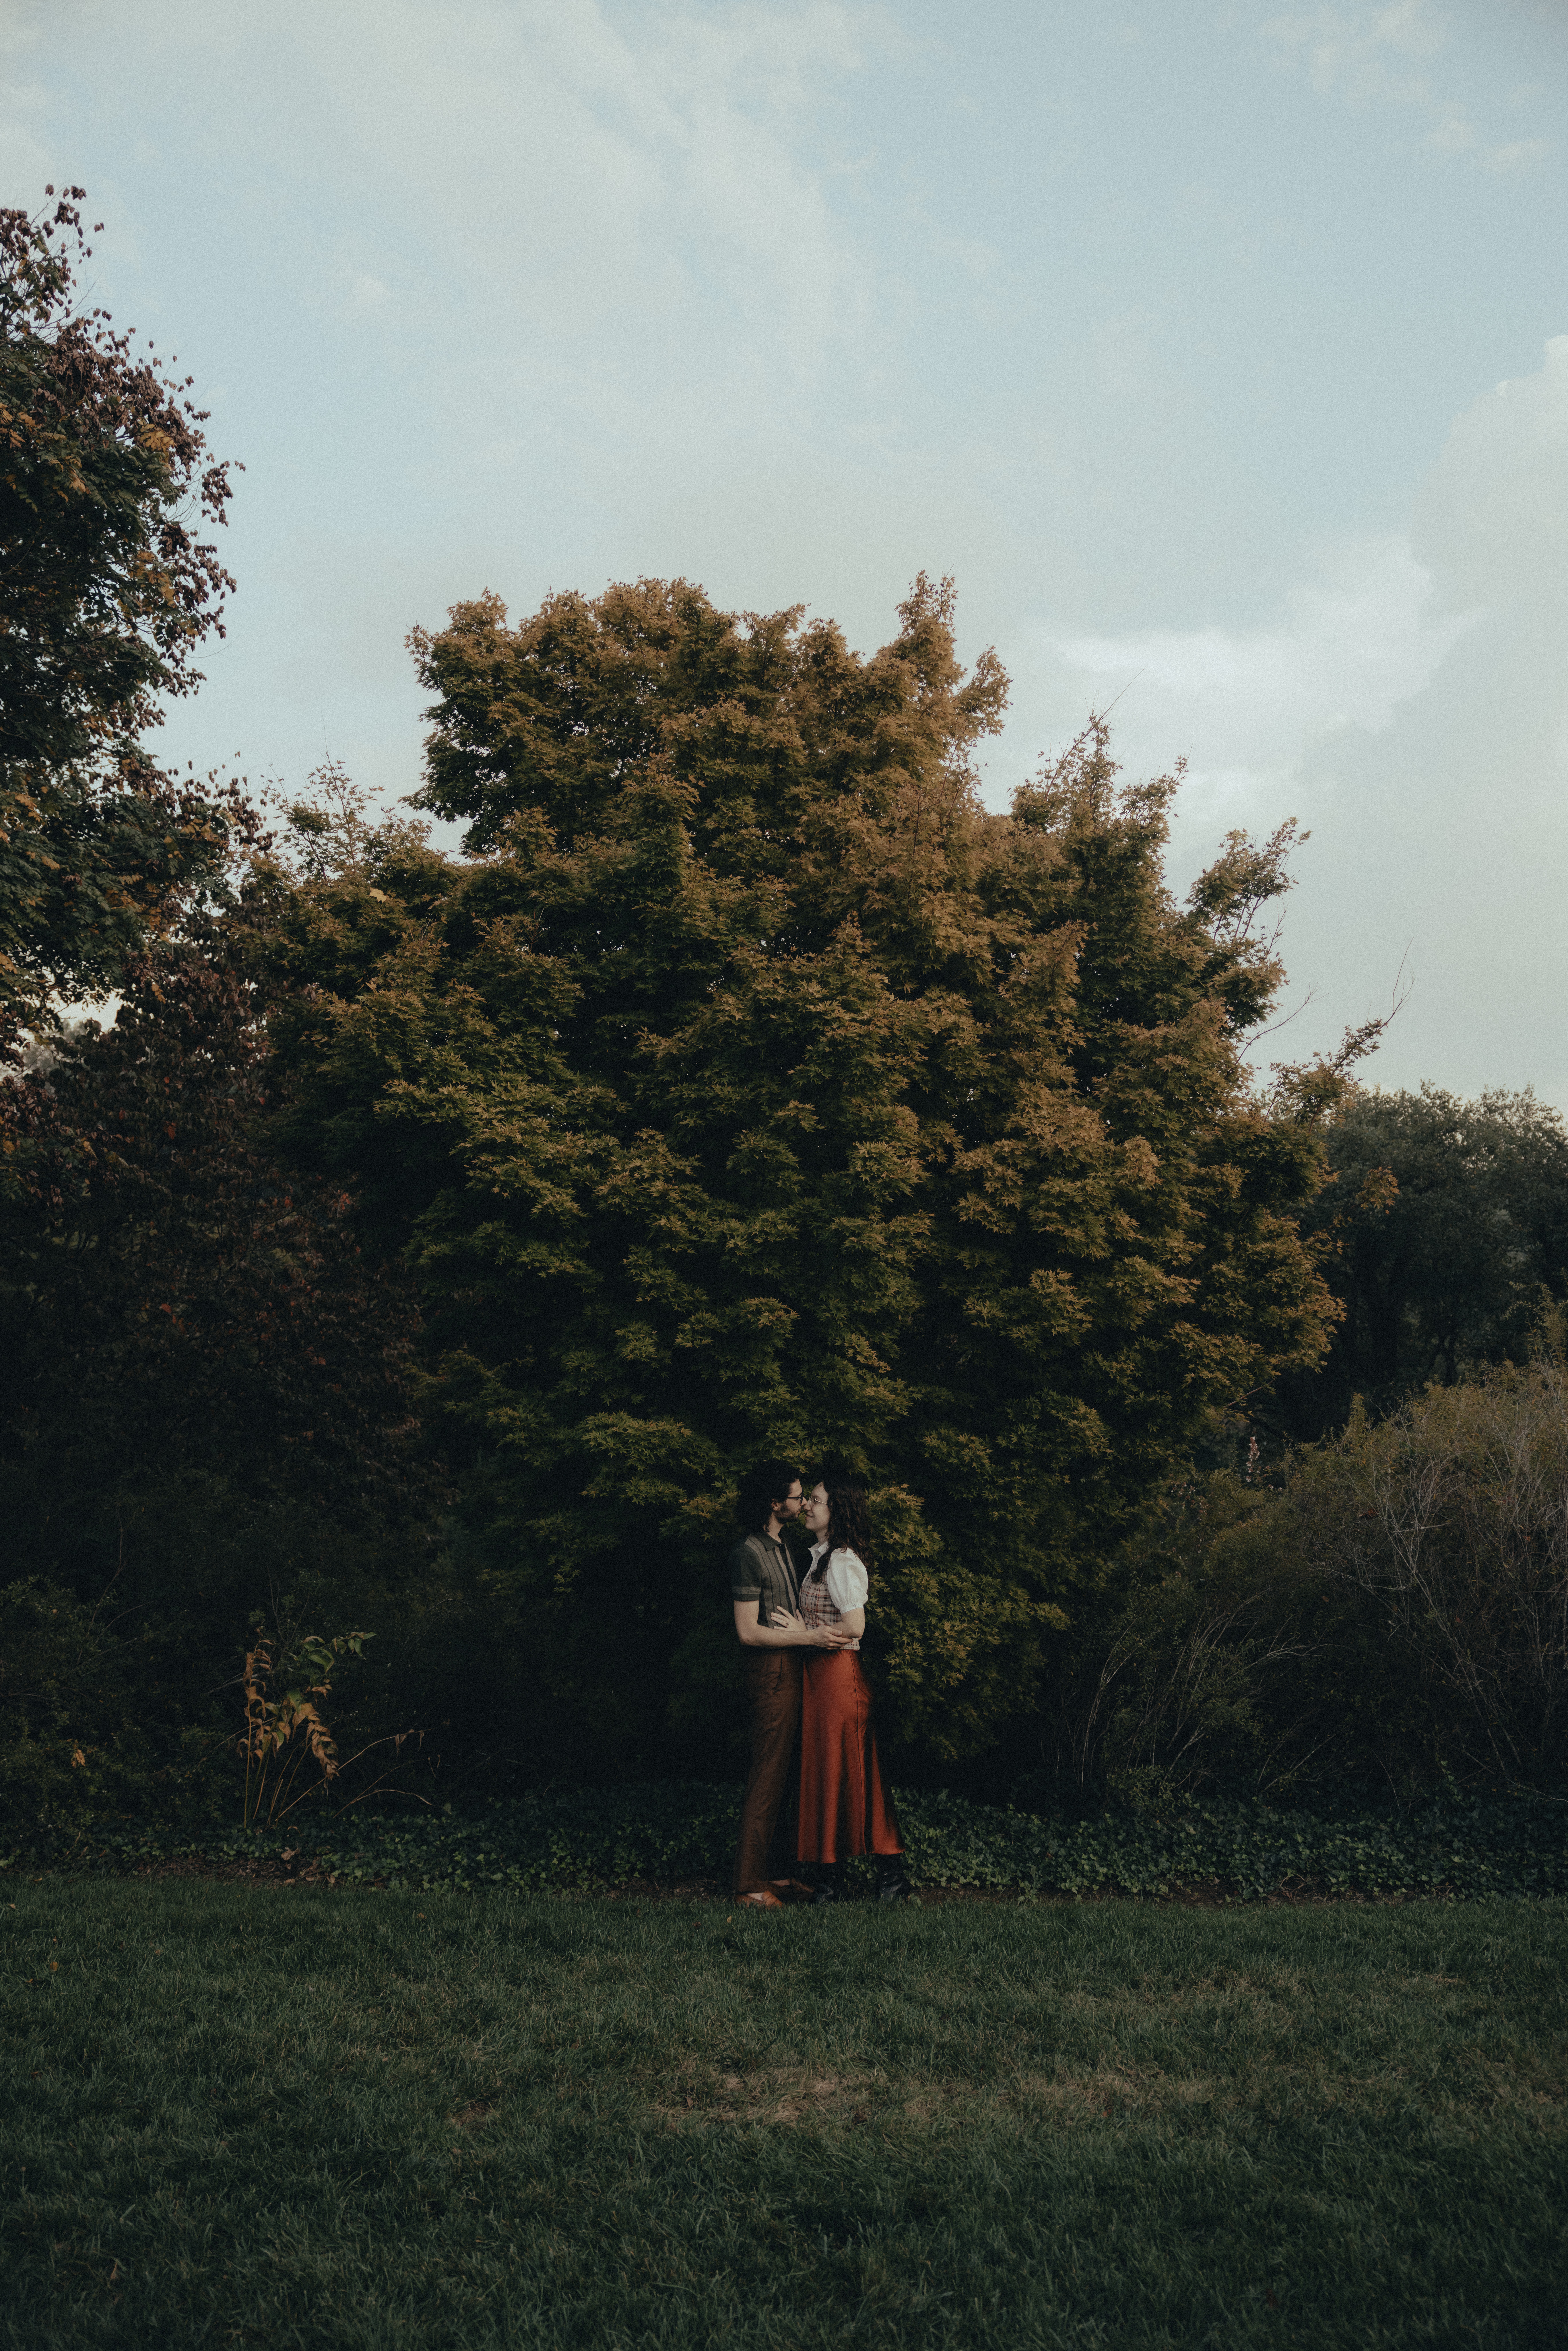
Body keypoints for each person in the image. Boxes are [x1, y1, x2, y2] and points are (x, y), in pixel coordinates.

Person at [729, 1458, 854, 1910]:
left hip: (793, 1673)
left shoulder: (784, 1546)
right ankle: (749, 1886)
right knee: (767, 1777)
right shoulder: (748, 1553)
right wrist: (811, 1638)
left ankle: (777, 1875)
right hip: (770, 1678)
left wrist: (805, 1633)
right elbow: (748, 1632)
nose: (803, 1504)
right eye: (797, 1497)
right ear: (773, 1502)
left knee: (787, 1778)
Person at [792, 1467, 911, 1903]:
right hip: (822, 1679)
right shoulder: (823, 1556)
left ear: (838, 1510)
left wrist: (804, 1634)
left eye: (816, 1500)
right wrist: (802, 1626)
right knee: (828, 1774)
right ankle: (835, 1879)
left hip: (840, 1679)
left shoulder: (842, 1561)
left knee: (848, 1774)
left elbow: (855, 1626)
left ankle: (877, 1878)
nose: (807, 1506)